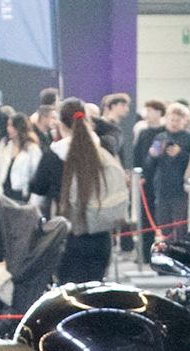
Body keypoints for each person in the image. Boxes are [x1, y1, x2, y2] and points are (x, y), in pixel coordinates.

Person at [50, 97, 123, 281]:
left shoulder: (53, 156)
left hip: (69, 235)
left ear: (61, 124)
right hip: (101, 235)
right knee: (95, 290)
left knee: (69, 293)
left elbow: (37, 189)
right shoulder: (104, 148)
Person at [143, 101, 190, 235]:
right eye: (172, 120)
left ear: (184, 121)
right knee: (163, 225)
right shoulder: (160, 137)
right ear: (166, 119)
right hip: (161, 188)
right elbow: (149, 164)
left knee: (181, 227)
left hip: (180, 189)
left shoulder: (189, 138)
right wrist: (153, 155)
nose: (174, 123)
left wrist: (180, 154)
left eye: (178, 120)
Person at [0, 112, 43, 200]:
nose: (8, 128)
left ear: (18, 128)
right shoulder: (4, 146)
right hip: (3, 195)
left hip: (22, 196)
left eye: (11, 125)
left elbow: (37, 175)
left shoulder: (32, 149)